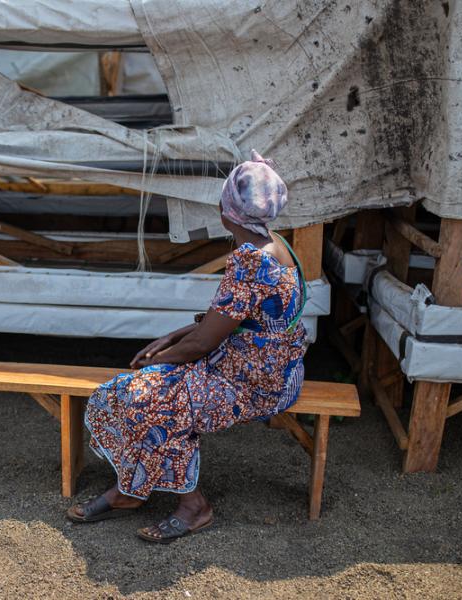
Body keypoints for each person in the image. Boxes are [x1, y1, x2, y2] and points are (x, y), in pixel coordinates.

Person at [66, 150, 308, 543]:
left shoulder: (250, 262)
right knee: (142, 391)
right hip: (267, 366)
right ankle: (131, 489)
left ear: (225, 210)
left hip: (255, 383)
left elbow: (206, 340)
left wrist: (158, 360)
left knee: (148, 398)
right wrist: (173, 339)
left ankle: (192, 506)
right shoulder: (274, 244)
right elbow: (227, 319)